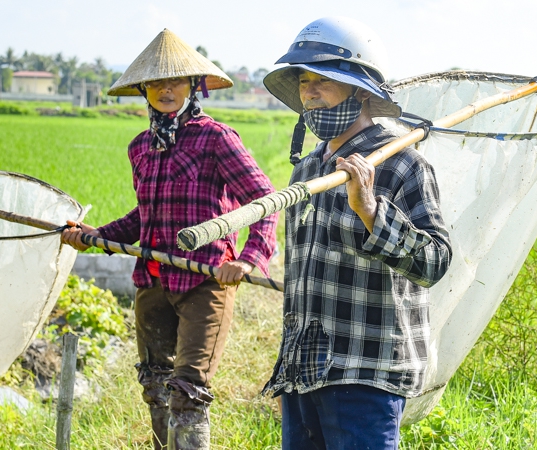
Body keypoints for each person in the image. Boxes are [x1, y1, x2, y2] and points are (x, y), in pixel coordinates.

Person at [61, 29, 278, 450]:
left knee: (188, 392)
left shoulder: (216, 139)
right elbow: (146, 216)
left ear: (194, 86)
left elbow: (264, 203)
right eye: (156, 82)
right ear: (143, 89)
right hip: (154, 282)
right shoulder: (141, 147)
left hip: (204, 282)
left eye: (175, 81)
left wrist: (249, 259)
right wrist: (96, 236)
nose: (165, 89)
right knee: (156, 387)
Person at [260, 17, 452, 449]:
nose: (309, 92)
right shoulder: (307, 170)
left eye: (323, 82)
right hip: (303, 368)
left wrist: (371, 211)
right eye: (304, 82)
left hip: (367, 369)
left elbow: (435, 261)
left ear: (361, 91)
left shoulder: (401, 164)